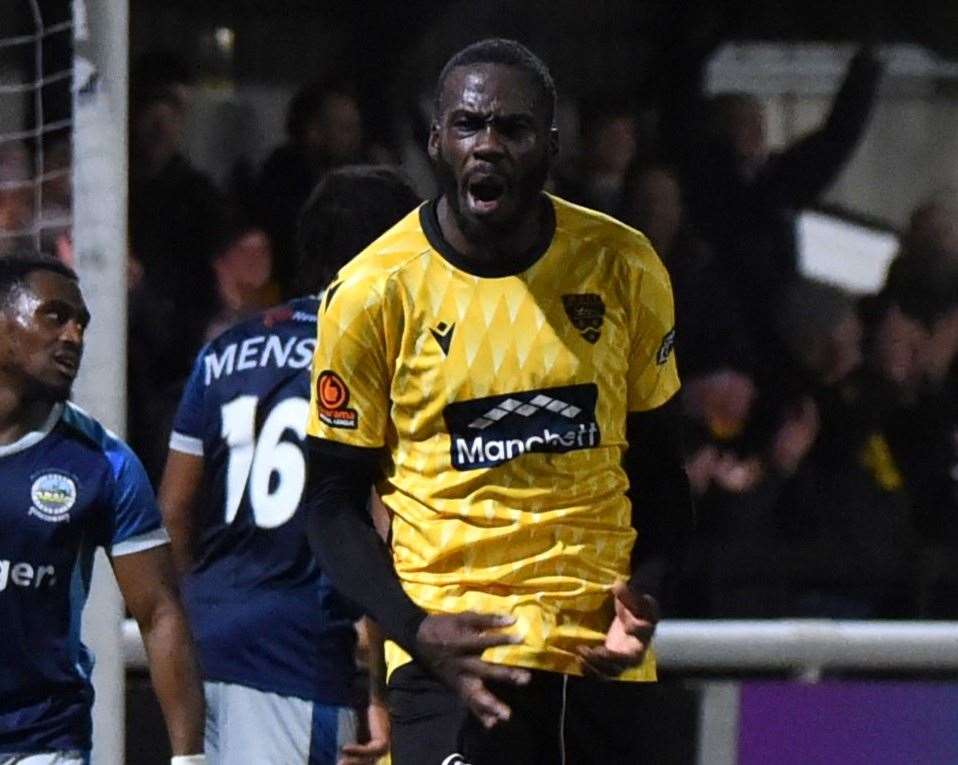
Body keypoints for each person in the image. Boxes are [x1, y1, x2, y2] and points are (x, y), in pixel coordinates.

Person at [304, 39, 694, 764]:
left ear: (550, 145)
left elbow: (663, 472)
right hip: (455, 655)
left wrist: (644, 593)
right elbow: (328, 499)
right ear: (436, 140)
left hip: (596, 656)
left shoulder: (624, 264)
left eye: (511, 129)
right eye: (468, 125)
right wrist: (413, 628)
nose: (488, 146)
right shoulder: (373, 291)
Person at [158, 166, 420, 764]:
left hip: (201, 651)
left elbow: (172, 510)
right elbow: (381, 526)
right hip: (297, 657)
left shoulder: (225, 349)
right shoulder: (370, 357)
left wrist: (193, 621)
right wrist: (379, 687)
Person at [0, 253, 205, 763]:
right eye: (54, 316)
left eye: (81, 324)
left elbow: (159, 613)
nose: (74, 336)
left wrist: (189, 758)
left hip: (42, 740)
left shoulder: (102, 461)